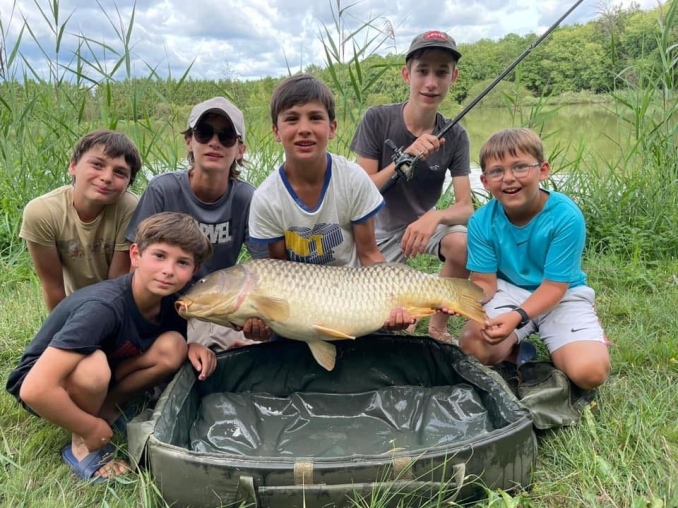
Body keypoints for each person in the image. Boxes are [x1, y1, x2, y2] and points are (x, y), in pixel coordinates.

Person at [6, 212, 217, 482]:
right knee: (92, 369)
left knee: (174, 346)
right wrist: (91, 427)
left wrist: (192, 347)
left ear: (194, 270)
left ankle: (107, 407)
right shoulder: (103, 307)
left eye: (182, 262)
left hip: (104, 367)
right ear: (136, 255)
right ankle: (82, 445)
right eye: (159, 256)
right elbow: (34, 389)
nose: (168, 270)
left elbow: (169, 347)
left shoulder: (171, 302)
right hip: (44, 384)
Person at [248, 73, 412, 331]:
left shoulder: (353, 178)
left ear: (332, 128)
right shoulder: (266, 198)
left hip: (353, 293)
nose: (304, 128)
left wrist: (394, 303)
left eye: (315, 118)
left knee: (388, 324)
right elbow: (277, 271)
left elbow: (369, 254)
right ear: (276, 132)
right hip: (299, 300)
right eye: (292, 119)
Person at [459, 128, 611, 390]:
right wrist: (458, 300)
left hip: (561, 293)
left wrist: (517, 317)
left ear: (543, 170)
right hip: (508, 292)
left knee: (590, 373)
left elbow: (555, 286)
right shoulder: (481, 221)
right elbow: (485, 284)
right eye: (497, 171)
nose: (508, 178)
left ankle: (567, 342)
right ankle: (519, 348)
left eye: (520, 167)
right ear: (484, 181)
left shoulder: (565, 216)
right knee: (473, 347)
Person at [350, 30, 474, 342]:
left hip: (424, 224)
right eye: (423, 71)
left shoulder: (456, 135)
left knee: (463, 244)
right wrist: (406, 156)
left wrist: (435, 217)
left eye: (441, 72)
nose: (431, 83)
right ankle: (413, 302)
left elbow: (465, 207)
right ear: (407, 74)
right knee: (372, 322)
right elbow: (360, 192)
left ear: (453, 77)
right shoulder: (376, 119)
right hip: (375, 228)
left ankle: (437, 328)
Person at [125, 97, 266, 351]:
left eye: (226, 137)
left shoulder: (247, 197)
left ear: (240, 150)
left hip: (216, 304)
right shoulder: (163, 190)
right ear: (189, 141)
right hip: (164, 302)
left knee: (255, 345)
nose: (214, 142)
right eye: (204, 133)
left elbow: (265, 268)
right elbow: (134, 264)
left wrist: (256, 315)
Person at [20, 130, 141, 312]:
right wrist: (63, 330)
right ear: (73, 166)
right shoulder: (41, 212)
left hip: (118, 303)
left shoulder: (130, 207)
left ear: (128, 183)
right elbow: (53, 286)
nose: (107, 177)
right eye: (97, 165)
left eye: (119, 172)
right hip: (73, 303)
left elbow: (117, 284)